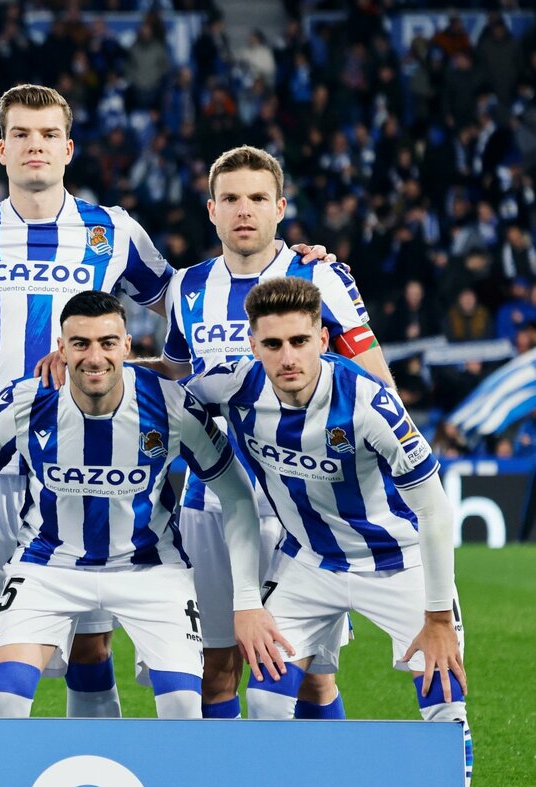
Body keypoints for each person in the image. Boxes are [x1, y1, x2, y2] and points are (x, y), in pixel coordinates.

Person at [186, 276, 479, 787]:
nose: (287, 356)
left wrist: (437, 617)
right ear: (253, 346)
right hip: (309, 564)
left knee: (445, 709)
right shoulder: (232, 386)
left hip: (398, 564)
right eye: (272, 344)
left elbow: (435, 508)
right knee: (266, 699)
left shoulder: (368, 403)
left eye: (299, 341)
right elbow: (160, 387)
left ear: (323, 338)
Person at [0, 84, 174, 718]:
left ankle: (92, 769)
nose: (35, 146)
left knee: (91, 642)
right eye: (21, 134)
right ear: (2, 149)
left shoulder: (114, 231)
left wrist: (283, 264)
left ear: (69, 148)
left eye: (49, 134)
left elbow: (188, 309)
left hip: (88, 462)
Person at [0, 291, 287, 720]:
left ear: (127, 346)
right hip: (47, 567)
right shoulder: (23, 403)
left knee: (183, 708)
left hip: (151, 569)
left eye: (107, 343)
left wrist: (248, 600)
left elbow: (235, 494)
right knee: (4, 703)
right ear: (61, 349)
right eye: (80, 344)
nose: (94, 357)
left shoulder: (172, 405)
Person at [153, 145, 398, 721]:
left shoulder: (319, 275)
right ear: (212, 210)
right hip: (210, 502)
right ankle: (230, 782)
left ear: (281, 207)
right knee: (216, 670)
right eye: (231, 199)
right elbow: (177, 379)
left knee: (309, 675)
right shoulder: (187, 287)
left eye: (258, 198)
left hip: (306, 509)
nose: (245, 210)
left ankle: (317, 781)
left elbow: (376, 383)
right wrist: (99, 368)